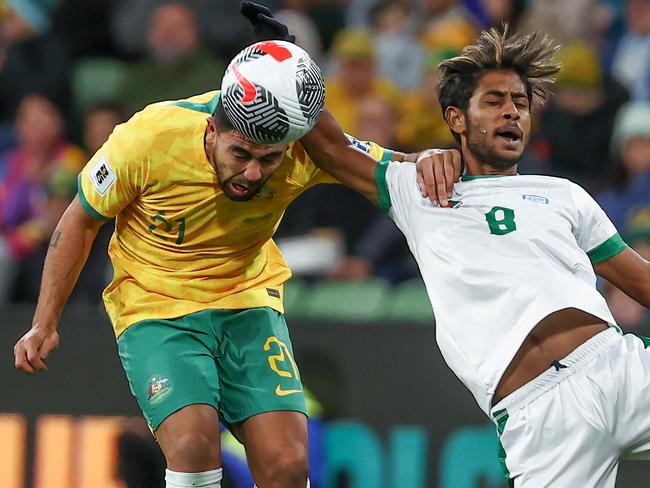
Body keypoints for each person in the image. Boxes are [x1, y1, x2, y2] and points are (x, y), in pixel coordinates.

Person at [12, 7, 460, 488]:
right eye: (240, 154)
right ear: (212, 129)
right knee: (191, 447)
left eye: (267, 160)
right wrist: (45, 321)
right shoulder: (149, 138)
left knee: (288, 466)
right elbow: (79, 220)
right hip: (154, 304)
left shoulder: (303, 150)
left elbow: (391, 169)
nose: (252, 172)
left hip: (246, 301)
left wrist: (433, 157)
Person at [301, 26, 650, 487]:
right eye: (494, 101)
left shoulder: (564, 195)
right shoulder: (420, 191)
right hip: (539, 415)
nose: (512, 112)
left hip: (618, 368)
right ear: (457, 118)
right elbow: (331, 146)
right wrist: (290, 60)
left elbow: (643, 283)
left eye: (521, 103)